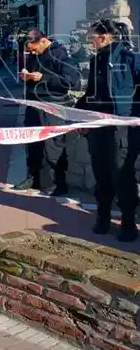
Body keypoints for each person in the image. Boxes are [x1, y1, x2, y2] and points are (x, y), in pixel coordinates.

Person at [76, 19, 139, 242]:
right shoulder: (96, 61)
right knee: (101, 174)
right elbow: (91, 93)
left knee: (122, 175)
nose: (90, 41)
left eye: (92, 36)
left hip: (121, 128)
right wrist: (76, 115)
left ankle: (129, 224)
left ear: (103, 36)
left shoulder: (129, 58)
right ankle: (102, 218)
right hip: (98, 126)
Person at [15, 29, 81, 195]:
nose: (33, 52)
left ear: (42, 41)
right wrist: (26, 75)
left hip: (52, 106)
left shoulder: (60, 55)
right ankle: (33, 177)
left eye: (34, 49)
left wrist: (43, 77)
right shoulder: (35, 55)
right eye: (30, 51)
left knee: (52, 146)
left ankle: (55, 183)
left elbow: (72, 82)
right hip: (33, 103)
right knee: (32, 142)